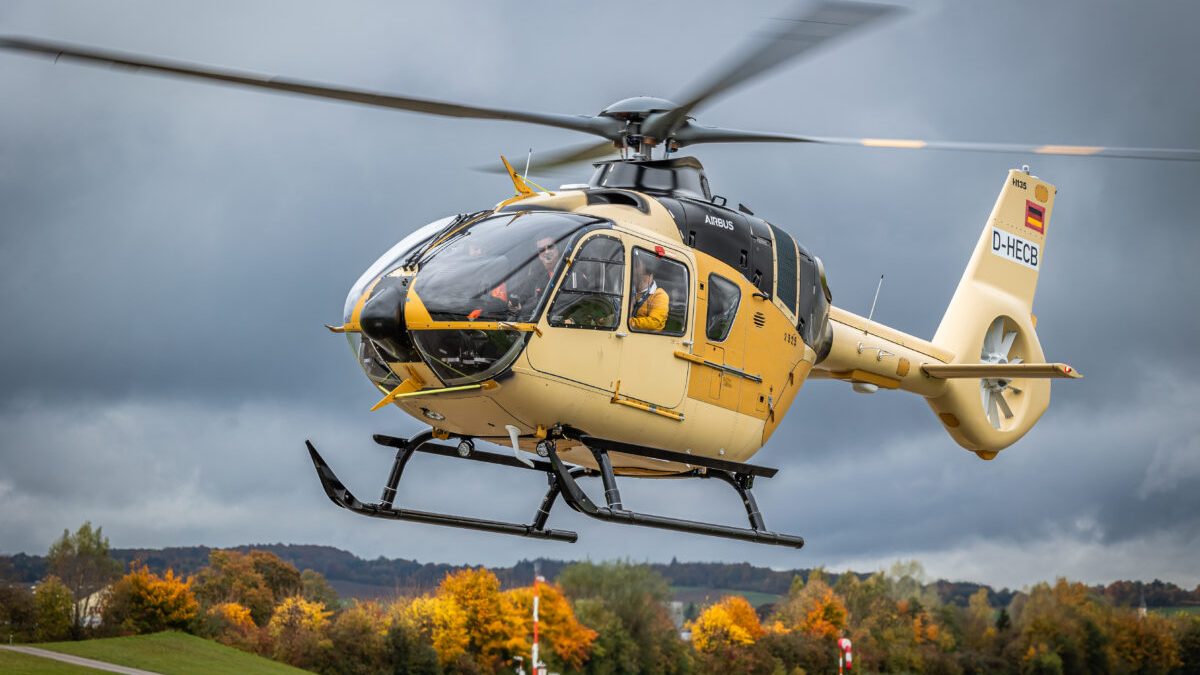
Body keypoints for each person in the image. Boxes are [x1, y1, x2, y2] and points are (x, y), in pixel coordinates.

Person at [629, 254, 669, 331]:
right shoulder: (631, 291)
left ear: (648, 269)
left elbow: (653, 322)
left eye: (636, 265)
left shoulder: (660, 295)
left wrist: (627, 322)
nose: (632, 268)